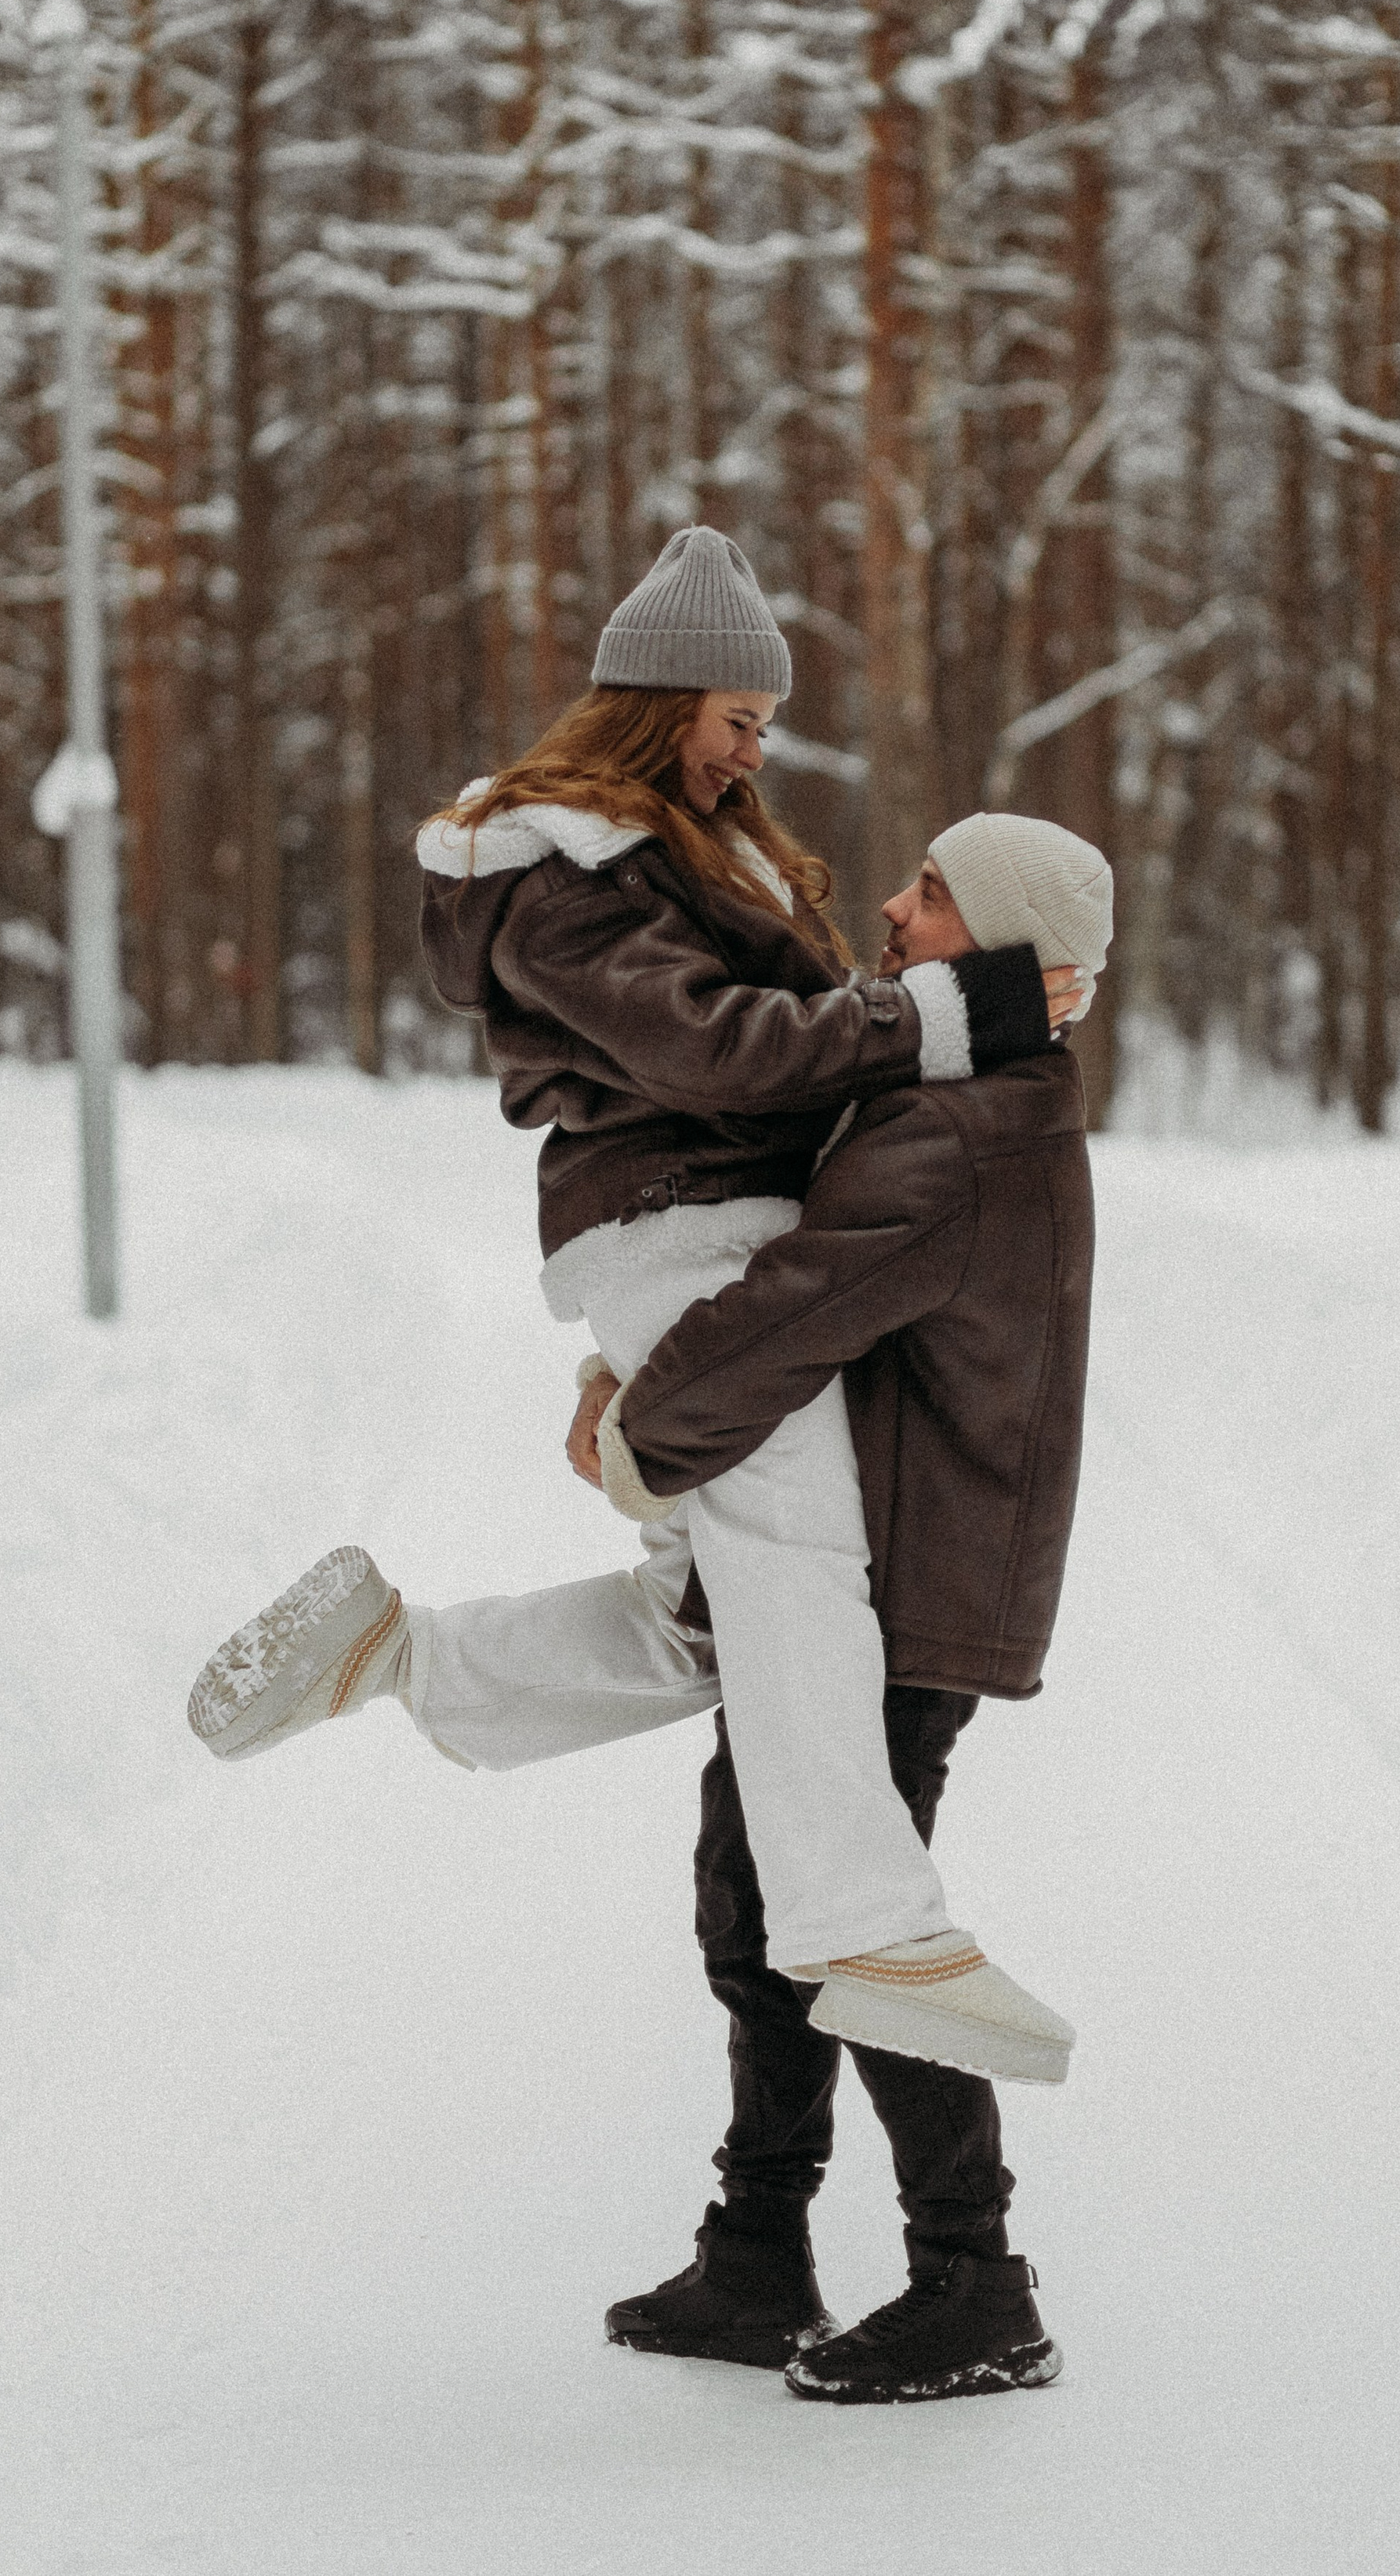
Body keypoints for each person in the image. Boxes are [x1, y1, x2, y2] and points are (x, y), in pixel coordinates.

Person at [186, 527, 1078, 2075]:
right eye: (741, 721)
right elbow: (720, 1055)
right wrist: (962, 1007)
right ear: (663, 699)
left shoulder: (671, 850)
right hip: (686, 1234)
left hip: (709, 1232)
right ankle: (869, 1924)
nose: (755, 755)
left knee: (703, 1618)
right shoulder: (567, 875)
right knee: (795, 1563)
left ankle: (399, 1658)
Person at [580, 807, 1107, 2405]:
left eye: (933, 894)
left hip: (899, 1585)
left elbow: (792, 1311)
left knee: (845, 1919)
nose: (891, 905)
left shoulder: (964, 1133)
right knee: (761, 1902)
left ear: (1008, 950)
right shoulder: (950, 1092)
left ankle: (973, 2280)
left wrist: (637, 1430)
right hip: (844, 1577)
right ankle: (758, 2251)